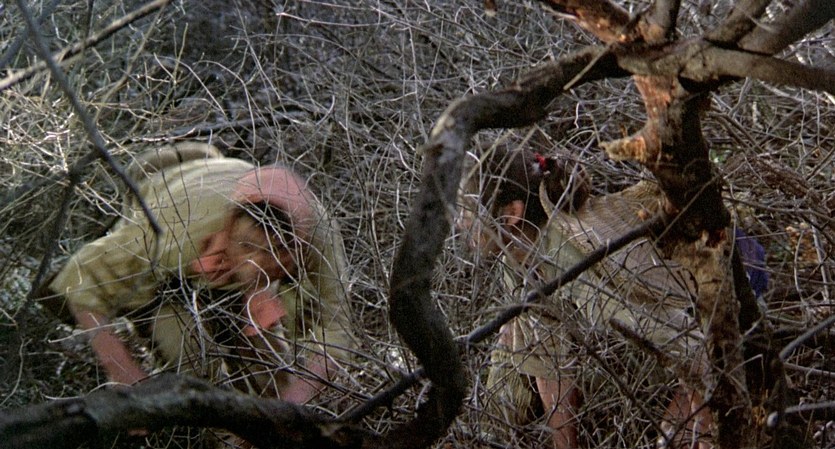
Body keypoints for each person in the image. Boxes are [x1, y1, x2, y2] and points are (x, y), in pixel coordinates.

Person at [43, 141, 354, 404]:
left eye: (272, 252)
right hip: (168, 207)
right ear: (230, 229)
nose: (255, 262)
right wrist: (126, 377)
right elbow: (82, 279)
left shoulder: (317, 235)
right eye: (247, 247)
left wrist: (292, 405)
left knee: (268, 368)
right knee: (189, 360)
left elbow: (337, 331)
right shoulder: (170, 232)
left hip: (222, 191)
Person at [458, 143, 712, 449]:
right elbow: (551, 366)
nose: (460, 223)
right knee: (514, 348)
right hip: (668, 348)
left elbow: (697, 352)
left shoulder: (578, 259)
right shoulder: (515, 259)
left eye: (467, 211)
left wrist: (693, 429)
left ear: (512, 213)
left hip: (719, 314)